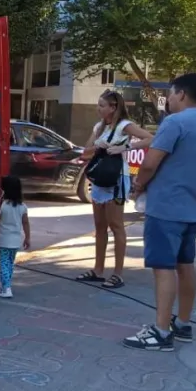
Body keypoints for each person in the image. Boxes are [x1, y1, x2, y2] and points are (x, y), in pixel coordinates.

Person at [126, 73, 196, 351]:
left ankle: (160, 331)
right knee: (185, 264)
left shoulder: (175, 123)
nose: (168, 98)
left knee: (163, 268)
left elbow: (151, 163)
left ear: (180, 94)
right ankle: (183, 323)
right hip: (193, 207)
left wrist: (138, 187)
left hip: (166, 207)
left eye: (171, 93)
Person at [76, 90, 154, 290]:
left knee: (116, 225)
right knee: (100, 226)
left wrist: (124, 148)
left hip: (117, 178)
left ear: (113, 107)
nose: (98, 109)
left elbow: (150, 138)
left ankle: (118, 273)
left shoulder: (124, 125)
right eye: (98, 105)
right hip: (100, 178)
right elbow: (86, 151)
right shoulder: (98, 126)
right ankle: (98, 269)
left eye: (102, 105)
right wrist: (99, 146)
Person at [0, 175, 31, 299]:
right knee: (9, 263)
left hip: (3, 241)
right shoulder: (23, 207)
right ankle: (6, 284)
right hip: (16, 241)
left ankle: (6, 288)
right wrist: (27, 237)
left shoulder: (3, 205)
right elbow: (25, 223)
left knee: (3, 263)